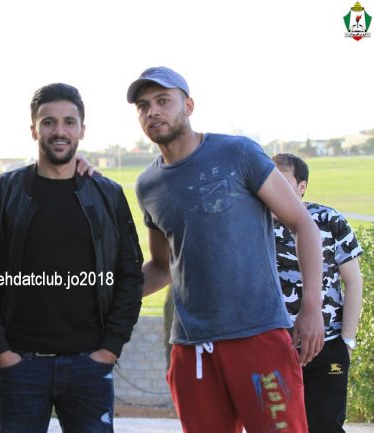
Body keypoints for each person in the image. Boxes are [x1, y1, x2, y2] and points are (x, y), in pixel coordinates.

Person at [127, 66, 325, 433]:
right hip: (192, 348)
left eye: (163, 101)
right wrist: (106, 296)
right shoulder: (148, 185)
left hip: (259, 336)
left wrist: (312, 307)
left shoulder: (237, 152)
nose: (152, 111)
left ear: (188, 105)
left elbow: (303, 225)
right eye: (143, 105)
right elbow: (162, 266)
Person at [0, 83, 144, 433]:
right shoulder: (3, 192)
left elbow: (129, 274)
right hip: (20, 364)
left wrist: (110, 348)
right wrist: (1, 350)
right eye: (48, 122)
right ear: (34, 129)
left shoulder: (108, 195)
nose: (59, 131)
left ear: (82, 130)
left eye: (69, 122)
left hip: (90, 366)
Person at [272, 153, 364, 433]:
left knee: (325, 426)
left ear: (302, 186)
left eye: (283, 181)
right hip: (273, 349)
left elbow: (353, 281)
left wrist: (347, 341)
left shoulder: (328, 219)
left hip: (328, 346)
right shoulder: (253, 224)